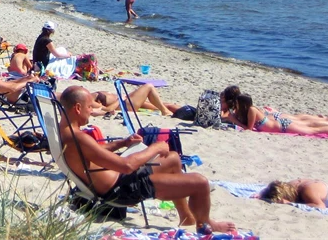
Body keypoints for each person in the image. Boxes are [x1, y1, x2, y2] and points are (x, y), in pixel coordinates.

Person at [58, 86, 235, 233]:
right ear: (78, 108)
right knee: (201, 183)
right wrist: (155, 147)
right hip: (122, 189)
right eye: (90, 107)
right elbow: (126, 166)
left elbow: (93, 152)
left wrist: (123, 143)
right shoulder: (78, 137)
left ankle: (187, 216)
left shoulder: (67, 132)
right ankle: (204, 223)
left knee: (173, 158)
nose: (93, 110)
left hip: (117, 180)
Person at [229, 94, 328, 135]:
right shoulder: (252, 109)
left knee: (313, 130)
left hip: (283, 127)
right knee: (310, 126)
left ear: (242, 104)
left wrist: (234, 120)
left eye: (237, 103)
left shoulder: (251, 110)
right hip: (281, 125)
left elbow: (248, 129)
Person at [89, 83, 179, 116]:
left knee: (163, 104)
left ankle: (189, 112)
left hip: (125, 100)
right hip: (124, 105)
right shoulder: (89, 101)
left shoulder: (88, 95)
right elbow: (107, 110)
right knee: (148, 87)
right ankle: (165, 112)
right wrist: (119, 100)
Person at [261, 179, 328, 209]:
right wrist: (261, 194)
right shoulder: (294, 184)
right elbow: (275, 187)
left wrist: (290, 203)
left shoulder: (307, 191)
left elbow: (320, 206)